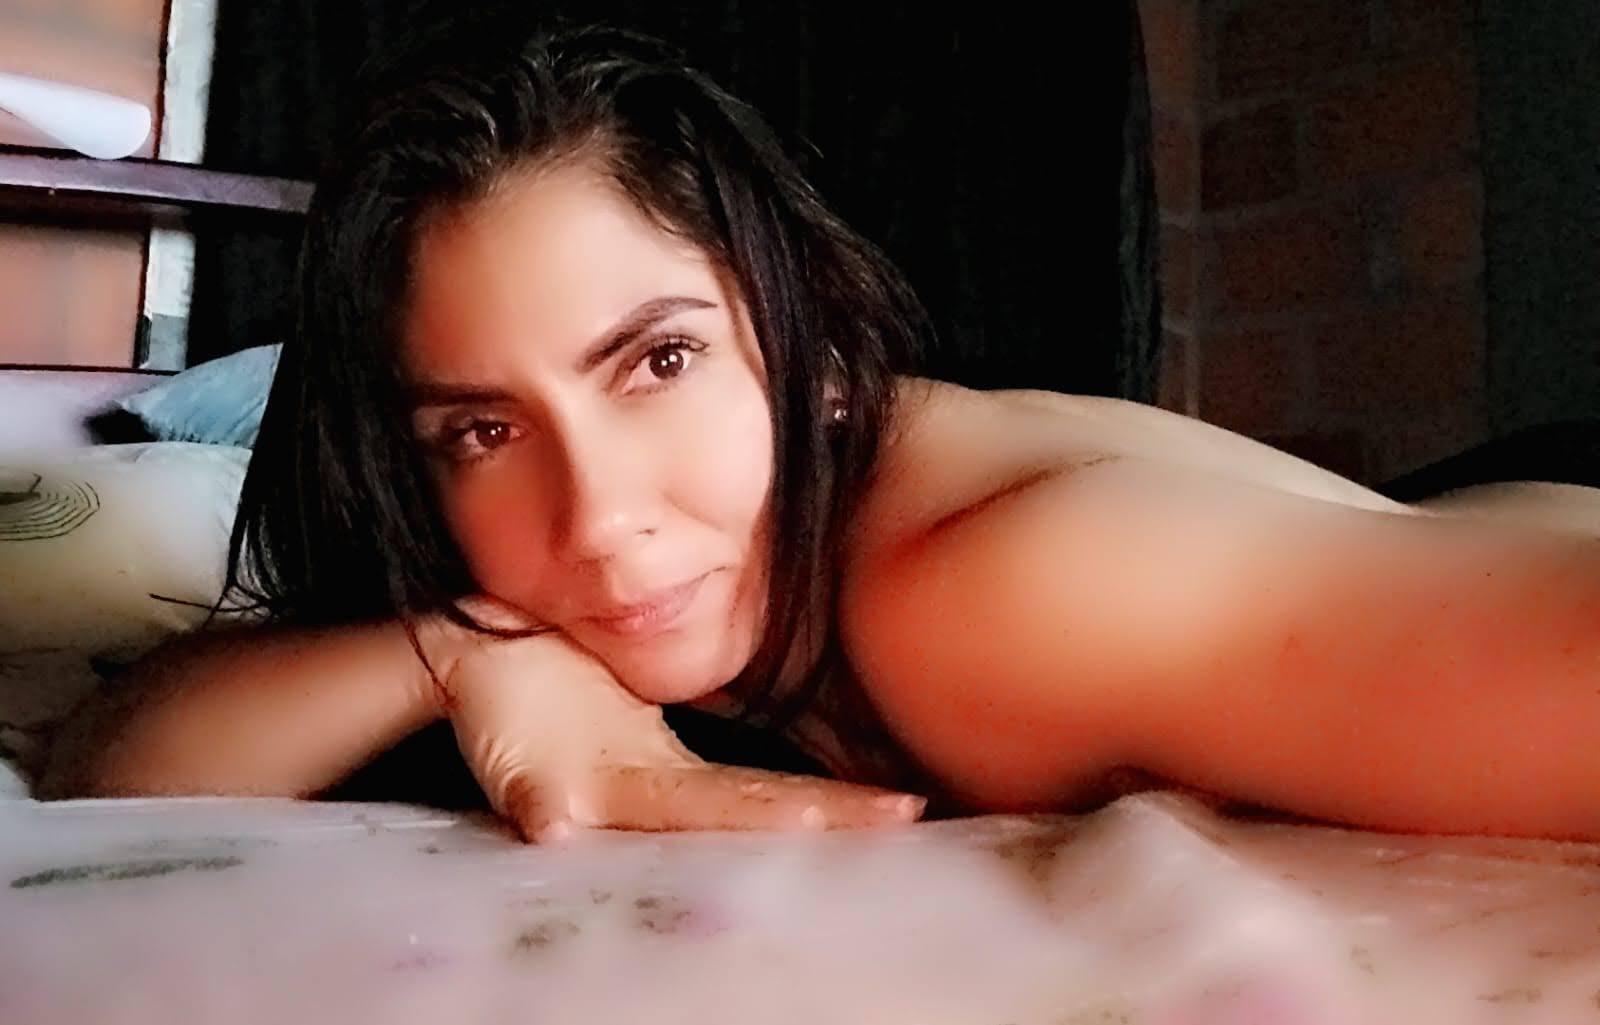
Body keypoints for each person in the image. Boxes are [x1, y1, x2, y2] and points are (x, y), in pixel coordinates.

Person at [39, 21, 1600, 846]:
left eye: (658, 361)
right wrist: (454, 648)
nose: (597, 515)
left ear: (812, 343)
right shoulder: (521, 588)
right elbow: (105, 760)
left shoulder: (1000, 591)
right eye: (483, 429)